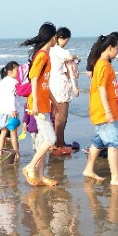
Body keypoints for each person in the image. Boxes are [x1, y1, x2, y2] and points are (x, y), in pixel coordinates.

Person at [82, 33, 118, 187]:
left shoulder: (100, 63)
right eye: (117, 48)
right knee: (113, 143)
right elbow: (101, 88)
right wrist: (109, 112)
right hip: (105, 111)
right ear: (110, 48)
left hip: (103, 110)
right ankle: (115, 178)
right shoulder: (103, 65)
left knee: (98, 141)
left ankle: (89, 169)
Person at [21, 22, 59, 187]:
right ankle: (30, 166)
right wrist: (35, 102)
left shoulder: (46, 55)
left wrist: (55, 102)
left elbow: (44, 83)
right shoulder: (42, 55)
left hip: (44, 103)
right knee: (51, 139)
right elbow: (34, 78)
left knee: (45, 140)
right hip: (38, 105)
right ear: (52, 38)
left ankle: (41, 175)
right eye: (55, 37)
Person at [49, 26, 79, 154]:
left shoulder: (50, 50)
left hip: (52, 85)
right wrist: (77, 57)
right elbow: (70, 57)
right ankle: (59, 144)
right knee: (61, 116)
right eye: (66, 40)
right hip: (60, 85)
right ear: (61, 38)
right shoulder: (57, 50)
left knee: (55, 115)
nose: (66, 42)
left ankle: (55, 142)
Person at [0, 61, 21, 161]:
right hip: (8, 111)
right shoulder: (13, 82)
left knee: (3, 132)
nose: (19, 72)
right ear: (9, 72)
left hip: (0, 110)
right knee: (13, 133)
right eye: (17, 70)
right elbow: (11, 97)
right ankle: (17, 154)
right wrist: (13, 109)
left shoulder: (3, 82)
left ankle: (0, 154)